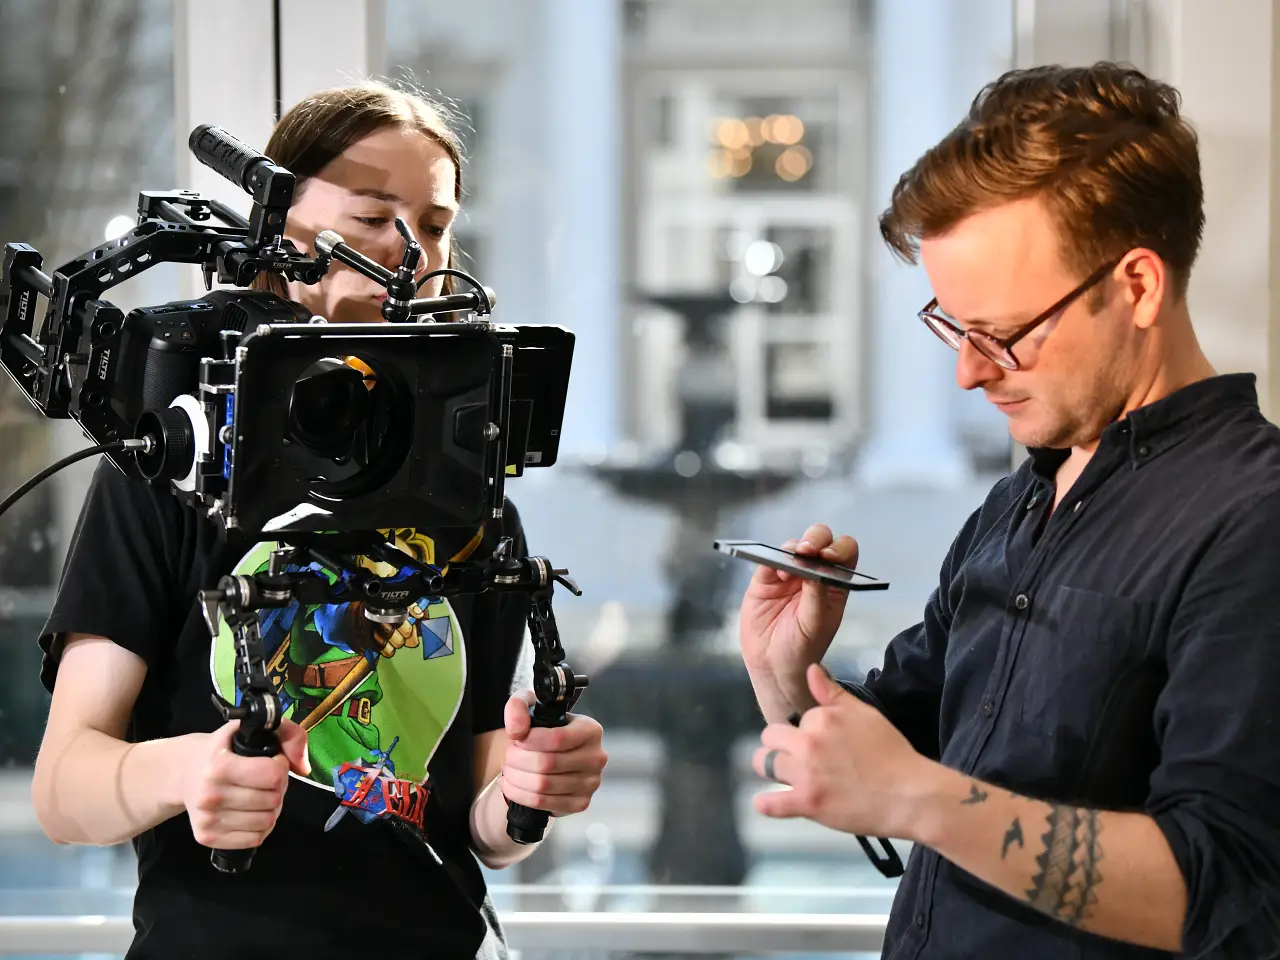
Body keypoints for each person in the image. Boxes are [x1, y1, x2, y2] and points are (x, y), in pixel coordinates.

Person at [30, 81, 607, 960]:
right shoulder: (169, 478)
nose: (412, 253)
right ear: (278, 229)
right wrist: (190, 771)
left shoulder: (470, 499)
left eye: (436, 224)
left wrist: (529, 793)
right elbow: (65, 791)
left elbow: (468, 806)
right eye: (375, 218)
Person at [737, 61, 1280, 959]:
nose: (970, 370)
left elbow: (1230, 889)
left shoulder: (1253, 519)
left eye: (1003, 334)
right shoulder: (1019, 501)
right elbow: (894, 754)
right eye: (954, 327)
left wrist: (920, 797)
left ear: (1137, 287)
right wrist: (787, 677)